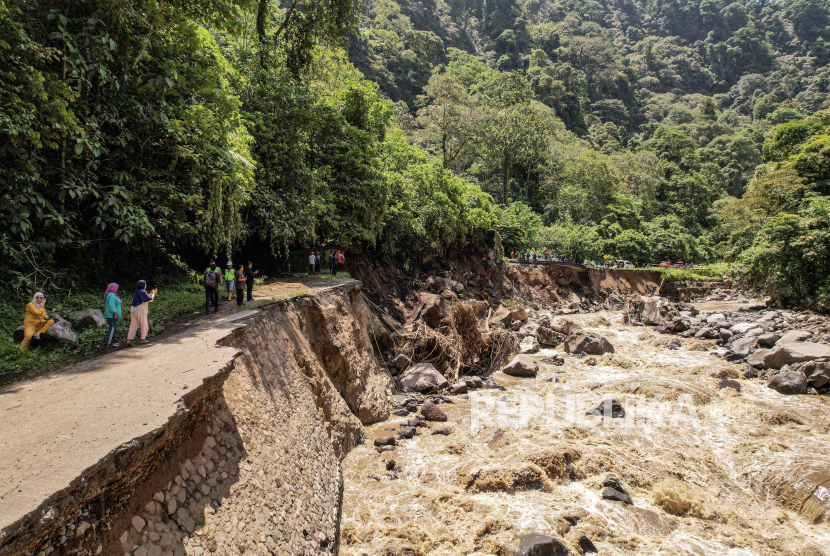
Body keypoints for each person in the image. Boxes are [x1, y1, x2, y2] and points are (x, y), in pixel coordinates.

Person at [127, 280, 156, 347]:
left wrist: (151, 294)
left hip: (134, 309)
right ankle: (143, 339)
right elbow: (150, 299)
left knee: (133, 325)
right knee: (144, 325)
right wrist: (153, 294)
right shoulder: (143, 291)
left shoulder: (136, 291)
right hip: (141, 310)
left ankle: (129, 340)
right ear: (143, 285)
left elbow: (145, 297)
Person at [103, 283, 122, 348]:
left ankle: (112, 341)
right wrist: (115, 313)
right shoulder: (112, 295)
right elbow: (112, 305)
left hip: (112, 314)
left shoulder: (111, 294)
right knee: (112, 328)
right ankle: (110, 343)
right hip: (112, 315)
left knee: (113, 328)